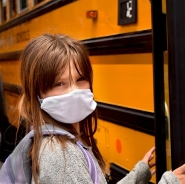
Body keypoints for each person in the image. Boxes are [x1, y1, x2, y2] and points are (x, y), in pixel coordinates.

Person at [18, 33, 185, 184]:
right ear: (37, 92)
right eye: (59, 84)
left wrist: (136, 177)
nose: (74, 91)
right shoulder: (61, 155)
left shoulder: (63, 140)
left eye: (81, 79)